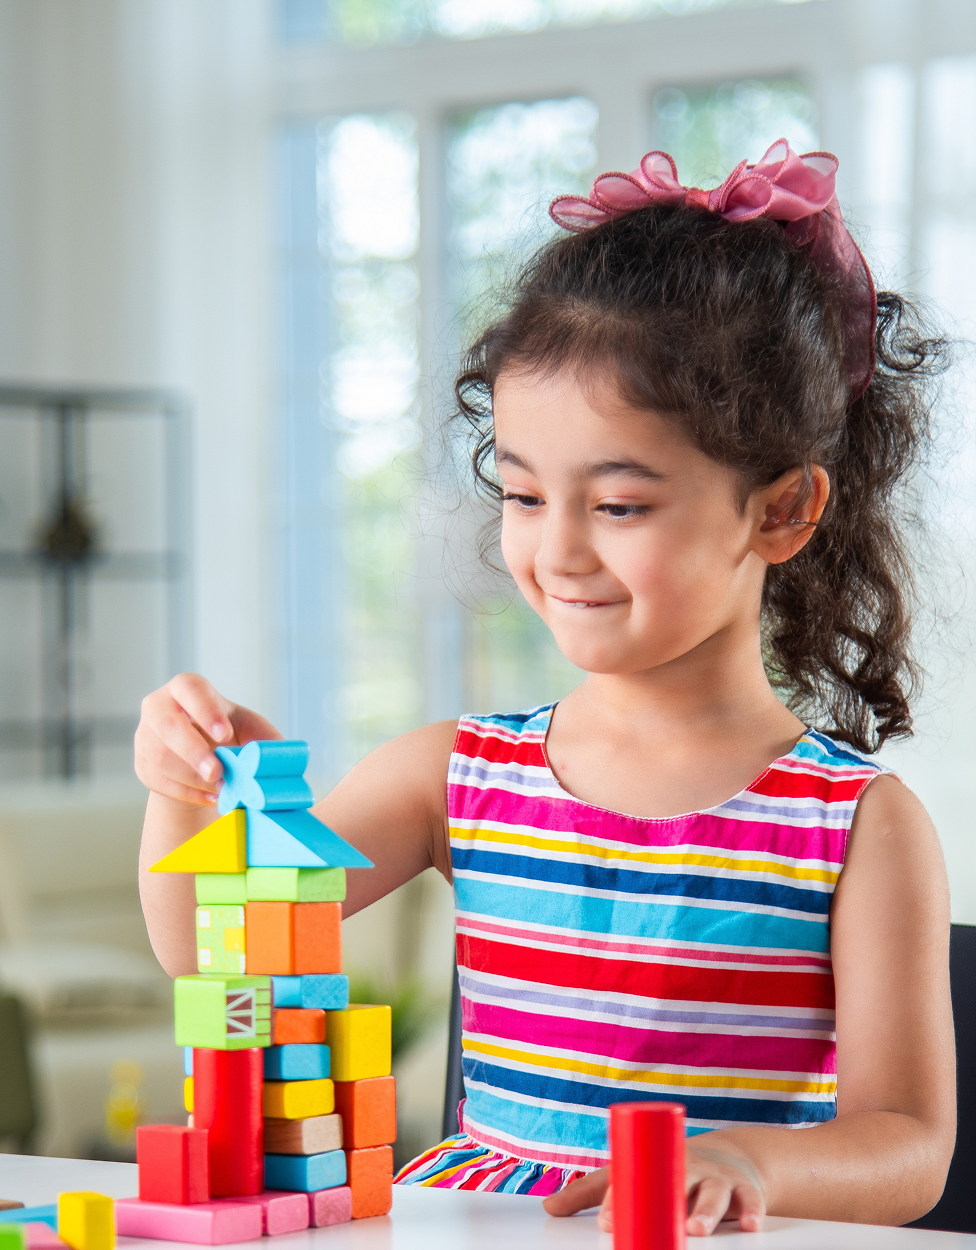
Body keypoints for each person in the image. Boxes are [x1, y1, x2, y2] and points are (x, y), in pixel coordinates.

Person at [136, 140, 955, 1236]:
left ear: (780, 511)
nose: (556, 551)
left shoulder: (856, 825)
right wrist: (180, 789)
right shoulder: (455, 772)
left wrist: (746, 1159)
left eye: (617, 505)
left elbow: (908, 1144)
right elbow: (207, 945)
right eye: (523, 495)